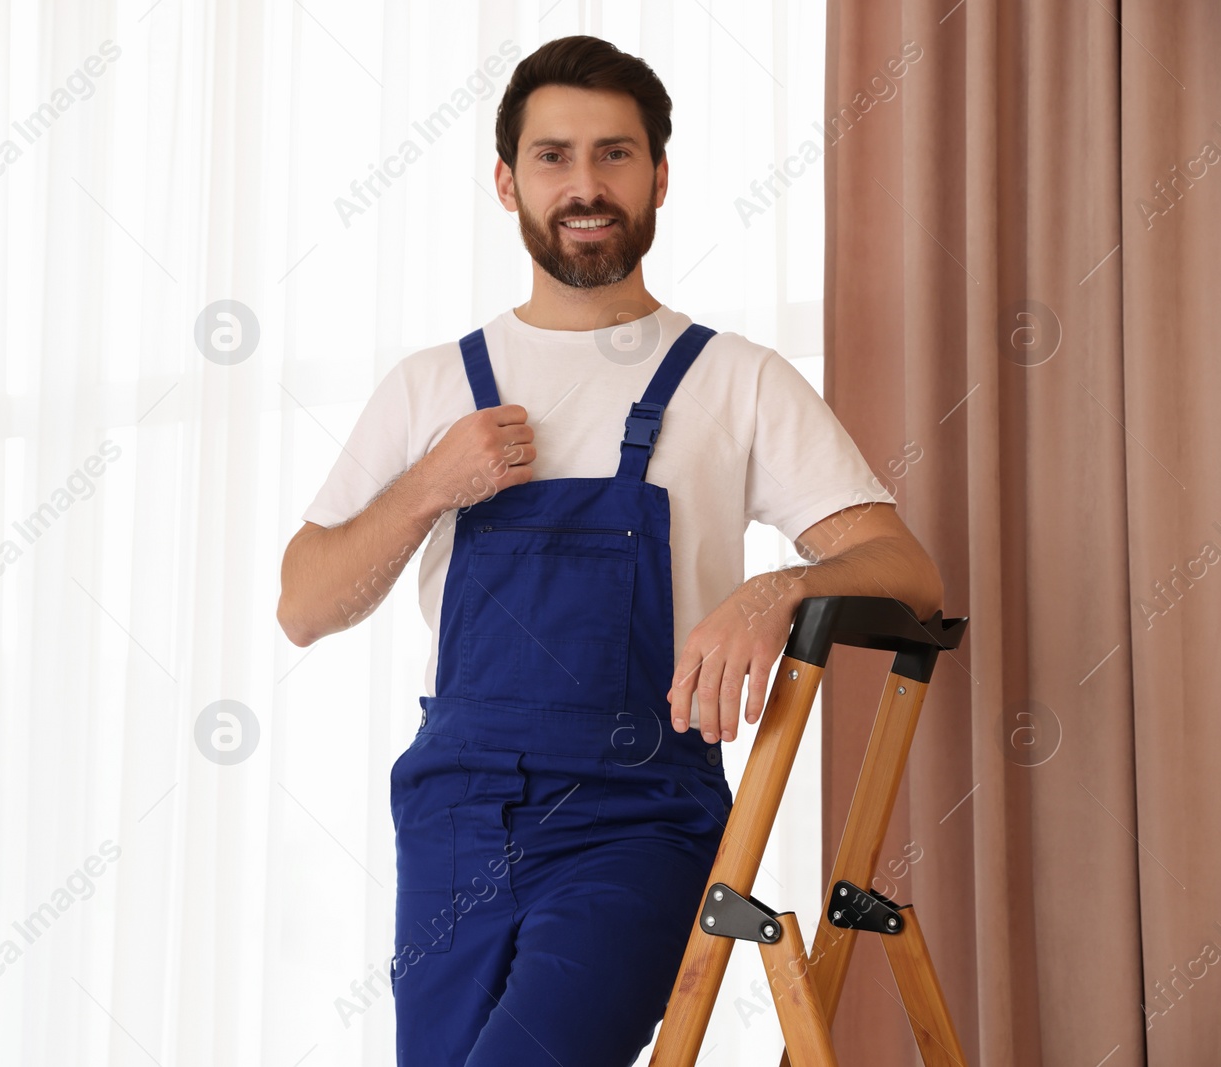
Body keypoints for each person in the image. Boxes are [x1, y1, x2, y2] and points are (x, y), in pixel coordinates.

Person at [277, 34, 943, 1067]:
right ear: (505, 183)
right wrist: (428, 488)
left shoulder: (737, 380)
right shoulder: (429, 387)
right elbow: (305, 606)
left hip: (636, 815)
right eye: (552, 157)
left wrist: (777, 588)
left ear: (659, 174)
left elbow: (907, 573)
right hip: (453, 810)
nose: (584, 185)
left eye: (614, 154)